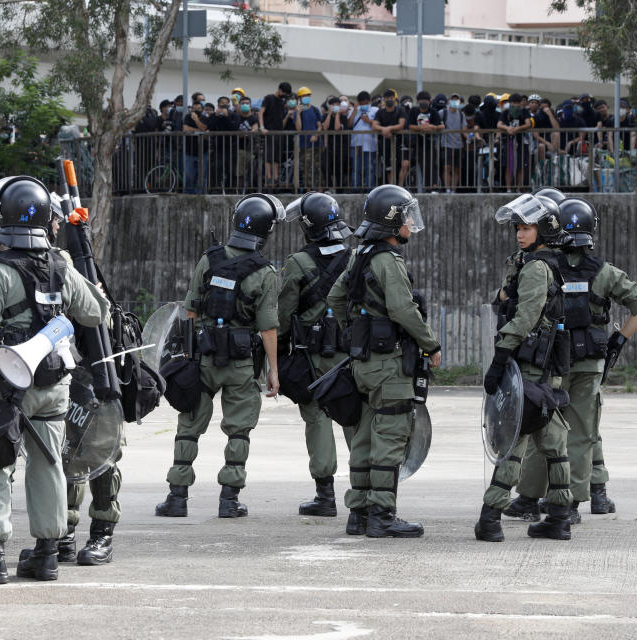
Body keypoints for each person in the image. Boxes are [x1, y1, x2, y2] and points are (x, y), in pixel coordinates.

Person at [0, 176, 110, 584]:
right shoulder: (62, 265)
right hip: (55, 388)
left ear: (6, 217)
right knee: (49, 465)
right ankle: (47, 555)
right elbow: (97, 312)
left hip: (7, 389)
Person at [505, 198, 637, 522]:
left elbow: (513, 302)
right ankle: (568, 505)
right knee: (582, 434)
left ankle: (528, 499)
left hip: (549, 362)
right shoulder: (605, 272)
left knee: (538, 427)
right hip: (588, 364)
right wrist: (618, 341)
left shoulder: (543, 266)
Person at [156, 194, 283, 519]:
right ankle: (229, 500)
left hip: (204, 356)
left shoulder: (209, 259)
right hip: (241, 361)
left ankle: (177, 497)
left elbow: (190, 308)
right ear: (266, 231)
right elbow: (268, 327)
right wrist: (273, 371)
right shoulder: (266, 272)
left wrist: (188, 354)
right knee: (239, 429)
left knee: (189, 424)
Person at [326, 185, 441, 538]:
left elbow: (335, 296)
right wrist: (430, 344)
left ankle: (358, 513)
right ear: (393, 220)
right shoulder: (388, 260)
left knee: (363, 436)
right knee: (391, 436)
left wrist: (355, 332)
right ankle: (382, 515)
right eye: (407, 215)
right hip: (389, 364)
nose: (411, 222)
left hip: (363, 362)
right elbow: (403, 309)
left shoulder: (361, 254)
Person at [475, 193, 574, 543]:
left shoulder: (536, 267)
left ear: (544, 229)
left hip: (530, 367)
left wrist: (501, 356)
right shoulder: (539, 263)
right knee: (553, 441)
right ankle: (559, 518)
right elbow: (507, 300)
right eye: (518, 226)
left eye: (527, 227)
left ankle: (490, 518)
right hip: (545, 370)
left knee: (512, 438)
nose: (519, 233)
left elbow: (526, 317)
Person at [277, 193, 352, 516]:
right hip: (351, 352)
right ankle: (367, 491)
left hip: (315, 356)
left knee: (317, 417)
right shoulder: (355, 256)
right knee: (356, 416)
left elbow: (282, 316)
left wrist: (277, 355)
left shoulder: (299, 263)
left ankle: (325, 496)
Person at [406, 92, 443, 191]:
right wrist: (420, 128)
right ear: (418, 101)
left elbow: (441, 126)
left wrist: (432, 127)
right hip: (417, 143)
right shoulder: (414, 111)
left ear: (430, 101)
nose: (424, 102)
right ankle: (418, 188)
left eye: (426, 100)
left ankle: (433, 188)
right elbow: (410, 125)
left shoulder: (433, 111)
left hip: (431, 142)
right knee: (420, 166)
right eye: (421, 100)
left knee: (432, 165)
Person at [372, 90, 407, 186]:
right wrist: (383, 129)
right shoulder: (380, 112)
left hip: (400, 142)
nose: (389, 100)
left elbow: (401, 125)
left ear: (395, 99)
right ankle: (392, 187)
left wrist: (389, 128)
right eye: (387, 99)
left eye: (391, 98)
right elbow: (374, 125)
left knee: (403, 165)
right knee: (389, 168)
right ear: (384, 100)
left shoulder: (400, 110)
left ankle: (400, 187)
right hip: (385, 143)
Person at [259, 82, 291, 188]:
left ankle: (276, 178)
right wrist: (262, 127)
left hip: (279, 132)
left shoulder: (282, 102)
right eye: (284, 93)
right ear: (280, 90)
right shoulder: (269, 98)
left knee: (277, 157)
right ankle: (268, 178)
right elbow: (261, 112)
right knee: (269, 156)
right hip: (269, 131)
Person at [296, 87, 323, 190]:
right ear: (300, 98)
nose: (306, 98)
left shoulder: (315, 109)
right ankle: (308, 192)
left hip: (316, 145)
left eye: (308, 95)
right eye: (304, 96)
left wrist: (316, 135)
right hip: (304, 145)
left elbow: (320, 125)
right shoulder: (298, 111)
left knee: (317, 168)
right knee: (306, 169)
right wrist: (298, 113)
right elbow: (298, 128)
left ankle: (320, 190)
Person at [349, 91, 378, 189]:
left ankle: (370, 189)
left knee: (370, 168)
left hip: (370, 145)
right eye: (361, 103)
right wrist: (354, 111)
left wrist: (369, 121)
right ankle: (355, 189)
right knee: (356, 168)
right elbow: (349, 124)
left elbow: (379, 124)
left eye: (365, 103)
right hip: (355, 144)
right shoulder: (355, 110)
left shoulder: (375, 110)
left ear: (369, 101)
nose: (363, 105)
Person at [321, 96, 351, 189]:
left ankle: (339, 189)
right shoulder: (325, 116)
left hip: (341, 147)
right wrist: (330, 114)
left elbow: (337, 128)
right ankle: (329, 186)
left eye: (337, 105)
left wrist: (337, 114)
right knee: (325, 166)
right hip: (329, 146)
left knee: (339, 169)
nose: (335, 106)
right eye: (333, 105)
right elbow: (325, 127)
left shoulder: (343, 117)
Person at [440, 94, 465, 193]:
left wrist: (471, 136)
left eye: (457, 100)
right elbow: (437, 122)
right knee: (447, 167)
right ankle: (447, 189)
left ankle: (453, 190)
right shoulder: (443, 112)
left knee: (457, 169)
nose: (455, 101)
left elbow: (464, 129)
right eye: (453, 99)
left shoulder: (461, 114)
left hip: (459, 145)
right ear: (449, 101)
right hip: (446, 144)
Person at [182, 101, 209, 194]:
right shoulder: (187, 117)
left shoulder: (205, 118)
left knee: (202, 175)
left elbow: (204, 128)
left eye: (199, 109)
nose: (196, 110)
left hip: (203, 152)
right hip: (190, 151)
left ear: (202, 109)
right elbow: (185, 129)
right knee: (189, 175)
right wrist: (198, 130)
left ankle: (200, 193)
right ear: (192, 109)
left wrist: (196, 120)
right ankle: (188, 193)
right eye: (195, 109)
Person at [235, 97, 260, 191]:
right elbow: (236, 133)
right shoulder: (236, 117)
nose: (245, 105)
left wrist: (244, 134)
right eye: (243, 103)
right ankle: (238, 191)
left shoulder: (254, 118)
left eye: (247, 103)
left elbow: (254, 131)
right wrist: (246, 133)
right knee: (239, 173)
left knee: (251, 173)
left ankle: (250, 192)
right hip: (239, 149)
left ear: (250, 105)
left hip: (251, 150)